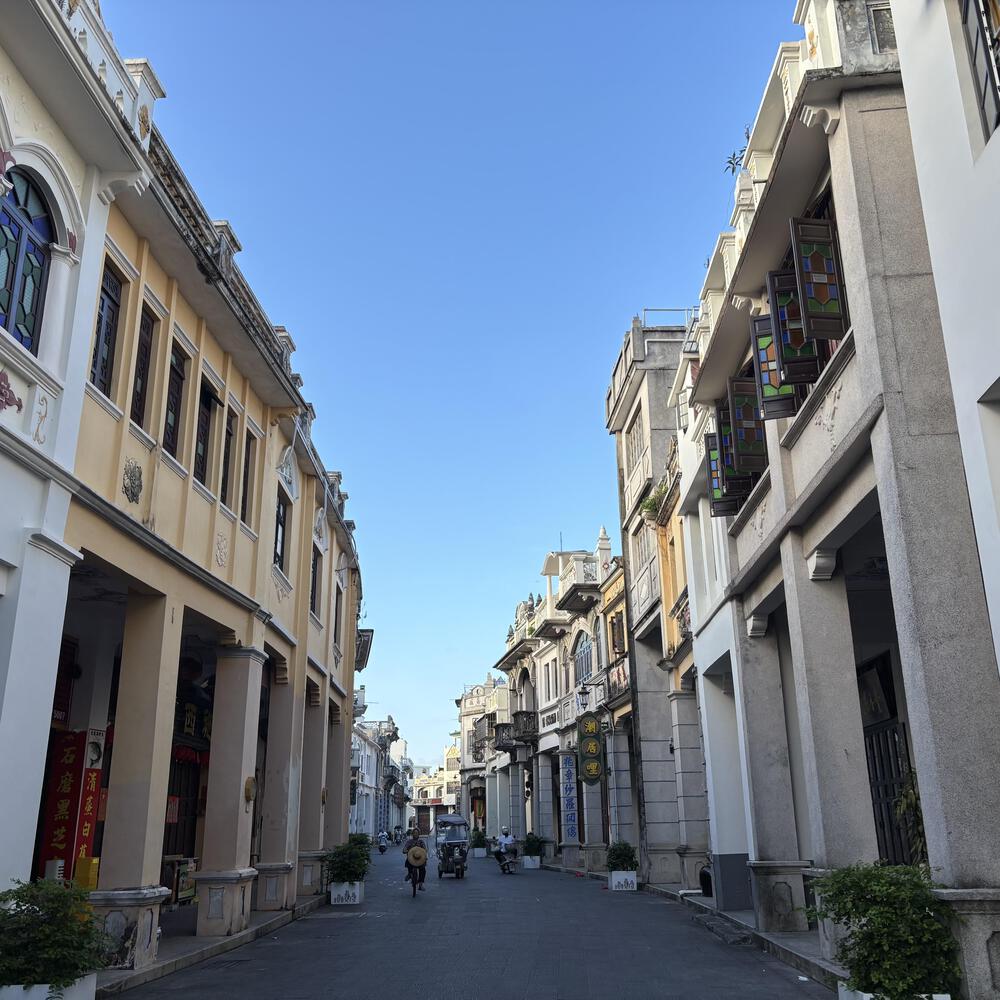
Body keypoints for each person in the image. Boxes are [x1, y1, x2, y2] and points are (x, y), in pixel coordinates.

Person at [403, 826, 427, 891]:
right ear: (412, 834)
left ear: (419, 834)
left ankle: (420, 885)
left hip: (420, 859)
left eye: (417, 833)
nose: (415, 834)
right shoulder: (409, 842)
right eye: (414, 833)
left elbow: (425, 849)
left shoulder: (421, 842)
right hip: (411, 859)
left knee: (423, 869)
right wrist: (405, 850)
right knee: (408, 862)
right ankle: (409, 874)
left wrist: (424, 852)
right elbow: (405, 848)